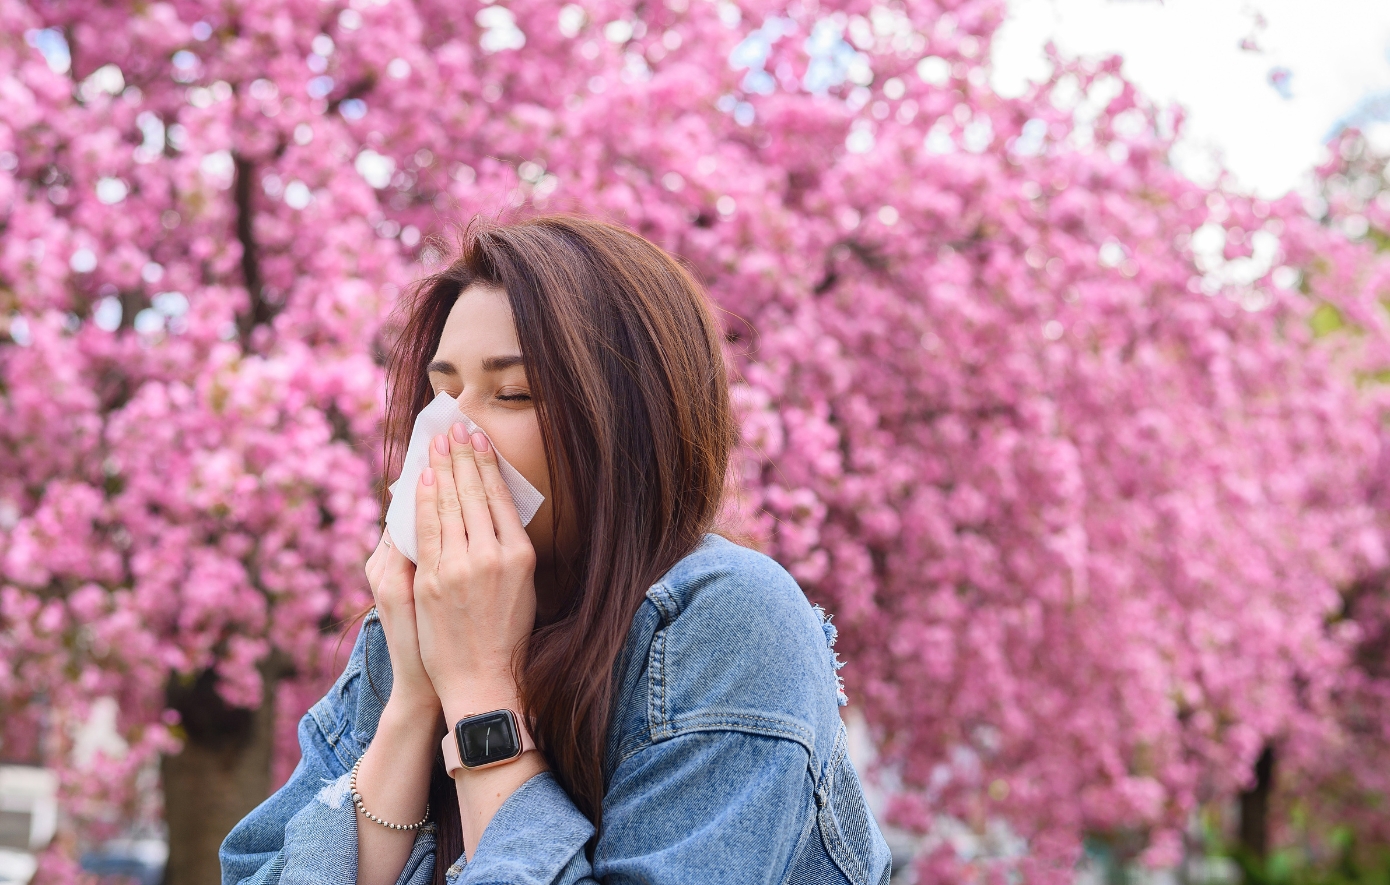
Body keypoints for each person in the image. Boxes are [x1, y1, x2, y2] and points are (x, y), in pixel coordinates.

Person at [219, 215, 893, 885]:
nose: (450, 433)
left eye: (510, 393)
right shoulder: (413, 625)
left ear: (626, 424)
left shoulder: (724, 617)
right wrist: (414, 701)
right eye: (442, 392)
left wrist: (481, 692)